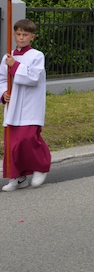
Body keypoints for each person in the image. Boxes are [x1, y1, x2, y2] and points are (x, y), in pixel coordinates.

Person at [1, 19, 50, 191]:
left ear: (32, 37)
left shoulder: (37, 56)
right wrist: (3, 93)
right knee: (12, 144)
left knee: (28, 139)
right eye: (18, 34)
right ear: (14, 35)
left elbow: (33, 78)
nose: (21, 38)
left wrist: (15, 66)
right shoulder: (8, 57)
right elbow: (2, 79)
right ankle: (18, 177)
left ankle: (40, 166)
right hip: (13, 105)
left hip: (31, 104)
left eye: (25, 34)